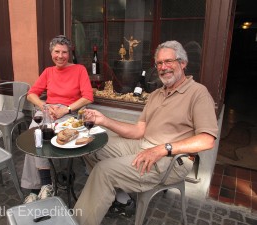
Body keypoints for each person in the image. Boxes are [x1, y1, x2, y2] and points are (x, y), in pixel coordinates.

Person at [73, 40, 218, 225]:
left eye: (168, 61)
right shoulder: (157, 94)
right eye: (159, 63)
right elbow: (138, 130)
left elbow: (207, 140)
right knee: (91, 144)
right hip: (142, 145)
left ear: (183, 63)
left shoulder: (198, 93)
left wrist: (162, 149)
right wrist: (104, 120)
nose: (163, 67)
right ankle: (117, 196)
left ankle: (79, 221)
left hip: (172, 159)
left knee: (104, 171)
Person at [21, 35, 93, 203]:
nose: (60, 56)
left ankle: (40, 186)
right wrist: (44, 106)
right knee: (34, 137)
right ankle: (42, 185)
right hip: (48, 110)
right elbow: (31, 94)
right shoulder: (48, 71)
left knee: (41, 139)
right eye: (56, 52)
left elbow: (88, 97)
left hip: (68, 113)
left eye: (64, 52)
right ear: (51, 52)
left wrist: (66, 109)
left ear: (70, 53)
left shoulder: (79, 69)